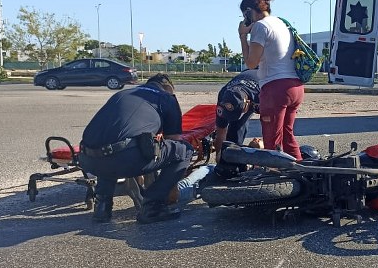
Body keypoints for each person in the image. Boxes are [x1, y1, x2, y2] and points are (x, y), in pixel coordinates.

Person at [79, 73, 193, 224]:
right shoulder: (166, 98)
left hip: (88, 160)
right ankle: (152, 206)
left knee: (109, 148)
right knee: (184, 150)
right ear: (167, 87)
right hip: (126, 159)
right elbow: (174, 140)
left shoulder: (122, 94)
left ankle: (102, 207)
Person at [238, 0, 304, 161]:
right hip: (295, 86)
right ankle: (301, 176)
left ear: (248, 12)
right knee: (288, 136)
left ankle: (273, 180)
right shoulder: (281, 23)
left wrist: (243, 36)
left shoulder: (260, 27)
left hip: (276, 88)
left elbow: (251, 63)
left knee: (272, 139)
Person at [212, 69, 261, 162]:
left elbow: (271, 128)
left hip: (265, 82)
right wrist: (219, 156)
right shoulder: (223, 95)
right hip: (245, 83)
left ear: (247, 104)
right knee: (229, 143)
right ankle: (230, 160)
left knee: (237, 126)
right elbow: (220, 131)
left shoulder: (261, 95)